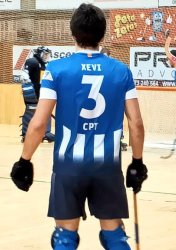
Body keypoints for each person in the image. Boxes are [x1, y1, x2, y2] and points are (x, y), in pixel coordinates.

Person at [10, 3, 147, 250]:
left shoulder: (56, 69)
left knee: (64, 236)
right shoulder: (121, 71)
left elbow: (39, 123)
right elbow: (136, 123)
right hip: (107, 166)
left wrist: (25, 160)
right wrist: (137, 162)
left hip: (68, 167)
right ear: (103, 35)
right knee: (114, 236)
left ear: (72, 33)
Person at [23, 45, 55, 142]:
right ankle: (26, 134)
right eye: (45, 54)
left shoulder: (45, 65)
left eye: (47, 55)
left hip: (42, 94)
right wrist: (29, 91)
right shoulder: (32, 61)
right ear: (39, 53)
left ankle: (45, 133)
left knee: (46, 111)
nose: (46, 56)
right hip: (31, 93)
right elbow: (23, 76)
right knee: (31, 111)